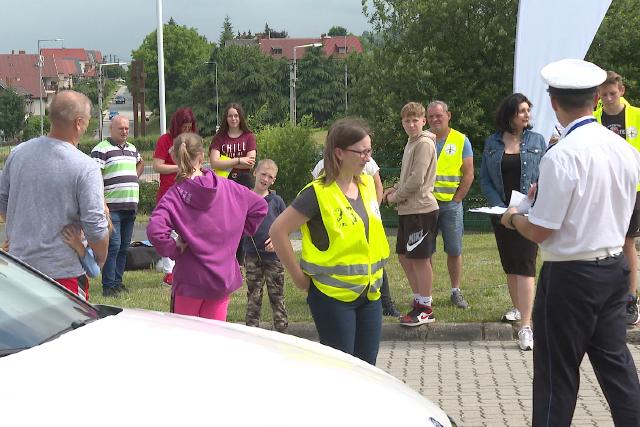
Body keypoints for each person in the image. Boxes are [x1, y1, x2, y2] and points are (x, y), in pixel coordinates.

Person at [501, 58, 640, 426]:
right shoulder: (626, 150)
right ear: (596, 99)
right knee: (617, 368)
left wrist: (515, 218)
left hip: (570, 276)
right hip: (613, 267)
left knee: (556, 374)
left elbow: (541, 231)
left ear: (552, 102)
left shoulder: (561, 154)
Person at [270, 118, 389, 365]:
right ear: (339, 153)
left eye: (370, 151)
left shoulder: (366, 185)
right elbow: (278, 231)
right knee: (342, 371)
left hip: (370, 295)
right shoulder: (317, 194)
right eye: (362, 152)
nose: (368, 158)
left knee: (368, 371)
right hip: (332, 299)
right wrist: (299, 278)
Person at [147, 133, 267, 321]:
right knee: (214, 342)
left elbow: (155, 230)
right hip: (221, 279)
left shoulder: (174, 195)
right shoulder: (229, 187)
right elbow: (260, 206)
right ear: (202, 156)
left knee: (186, 340)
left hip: (189, 279)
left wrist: (174, 249)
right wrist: (235, 233)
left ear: (177, 159)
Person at [0, 90, 109, 296]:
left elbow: (3, 203)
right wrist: (100, 257)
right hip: (62, 273)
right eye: (86, 122)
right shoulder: (85, 167)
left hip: (19, 270)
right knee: (69, 329)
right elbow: (95, 225)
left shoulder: (18, 154)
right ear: (78, 123)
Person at [480, 93, 545, 351]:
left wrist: (522, 204)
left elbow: (546, 174)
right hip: (501, 214)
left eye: (528, 110)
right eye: (521, 111)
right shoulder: (493, 143)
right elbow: (485, 178)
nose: (526, 115)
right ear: (509, 115)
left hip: (529, 213)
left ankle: (526, 327)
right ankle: (520, 310)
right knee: (511, 265)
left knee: (526, 265)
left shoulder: (538, 140)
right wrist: (503, 208)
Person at [312, 157, 400, 317]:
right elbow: (318, 196)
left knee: (374, 264)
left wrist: (374, 210)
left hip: (365, 224)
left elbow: (378, 185)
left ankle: (386, 302)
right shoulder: (321, 166)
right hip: (341, 227)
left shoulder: (367, 162)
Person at [383, 102, 439, 326]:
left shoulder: (424, 143)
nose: (411, 124)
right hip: (408, 209)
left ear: (423, 121)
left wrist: (395, 197)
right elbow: (408, 176)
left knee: (420, 258)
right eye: (407, 120)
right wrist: (395, 188)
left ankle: (425, 308)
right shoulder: (411, 143)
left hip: (421, 209)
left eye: (415, 119)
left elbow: (417, 180)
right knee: (405, 256)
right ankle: (418, 301)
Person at [594, 71, 640, 325]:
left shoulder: (636, 116)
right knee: (602, 240)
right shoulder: (594, 117)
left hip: (633, 188)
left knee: (626, 242)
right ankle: (608, 298)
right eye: (604, 94)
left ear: (621, 91)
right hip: (603, 187)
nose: (609, 98)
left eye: (613, 93)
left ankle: (631, 300)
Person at [426, 100, 474, 309]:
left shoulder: (461, 140)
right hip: (426, 204)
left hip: (450, 206)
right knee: (425, 251)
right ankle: (425, 294)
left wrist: (457, 199)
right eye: (431, 116)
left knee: (454, 249)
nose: (435, 119)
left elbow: (469, 173)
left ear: (448, 115)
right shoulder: (422, 138)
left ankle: (456, 291)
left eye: (439, 115)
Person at [91, 115, 144, 297]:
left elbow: (141, 162)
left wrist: (132, 176)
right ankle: (108, 285)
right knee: (113, 246)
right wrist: (102, 202)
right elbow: (94, 177)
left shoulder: (132, 149)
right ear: (111, 129)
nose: (124, 131)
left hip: (130, 205)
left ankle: (118, 281)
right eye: (120, 128)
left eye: (127, 128)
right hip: (111, 208)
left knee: (124, 246)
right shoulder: (101, 149)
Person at [152, 107, 198, 287]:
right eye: (183, 127)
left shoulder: (192, 141)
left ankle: (183, 267)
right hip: (168, 192)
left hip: (188, 193)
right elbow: (157, 165)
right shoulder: (165, 140)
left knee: (186, 230)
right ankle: (168, 271)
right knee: (167, 231)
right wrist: (179, 168)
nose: (186, 130)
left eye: (189, 127)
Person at [243, 159, 288, 332]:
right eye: (263, 174)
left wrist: (278, 241)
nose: (266, 179)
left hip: (274, 257)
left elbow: (287, 225)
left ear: (273, 180)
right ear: (255, 173)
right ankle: (251, 331)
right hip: (252, 256)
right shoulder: (245, 197)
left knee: (277, 295)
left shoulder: (276, 201)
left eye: (270, 177)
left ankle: (282, 331)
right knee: (254, 295)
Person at [209, 103, 257, 189]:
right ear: (226, 118)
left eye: (236, 115)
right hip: (223, 180)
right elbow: (214, 163)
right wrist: (239, 160)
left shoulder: (249, 136)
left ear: (240, 117)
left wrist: (224, 163)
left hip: (245, 181)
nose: (233, 119)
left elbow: (250, 163)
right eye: (230, 116)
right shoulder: (219, 137)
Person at [61, 224, 100, 301]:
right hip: (72, 281)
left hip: (76, 282)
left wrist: (79, 246)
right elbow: (94, 271)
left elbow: (94, 272)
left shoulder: (85, 243)